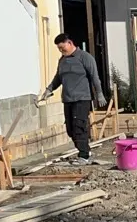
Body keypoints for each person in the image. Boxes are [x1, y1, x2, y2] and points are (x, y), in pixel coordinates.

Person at [39, 34, 107, 164]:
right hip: (68, 99)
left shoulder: (85, 57)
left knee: (79, 127)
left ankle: (84, 155)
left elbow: (94, 77)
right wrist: (49, 90)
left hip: (82, 98)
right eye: (59, 49)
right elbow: (58, 78)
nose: (61, 51)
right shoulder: (62, 60)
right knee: (70, 130)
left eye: (62, 48)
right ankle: (85, 151)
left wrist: (99, 94)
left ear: (70, 43)